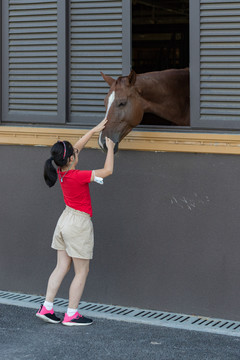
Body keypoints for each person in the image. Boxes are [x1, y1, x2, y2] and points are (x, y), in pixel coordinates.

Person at [36, 119, 115, 326]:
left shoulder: (60, 170)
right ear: (71, 158)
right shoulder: (78, 176)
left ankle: (47, 307)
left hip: (64, 221)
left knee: (61, 266)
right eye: (75, 153)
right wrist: (110, 149)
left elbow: (76, 147)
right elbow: (107, 171)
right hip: (78, 224)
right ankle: (71, 314)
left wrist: (94, 130)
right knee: (82, 271)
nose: (78, 152)